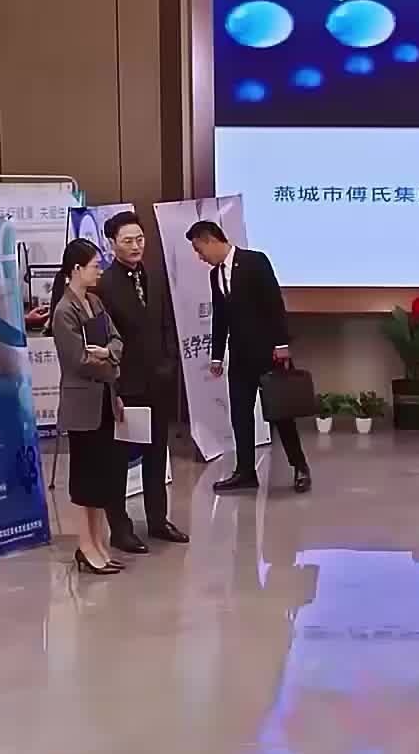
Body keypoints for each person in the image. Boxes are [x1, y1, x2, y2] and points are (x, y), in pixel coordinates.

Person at [185, 219, 311, 496]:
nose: (200, 257)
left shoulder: (255, 261)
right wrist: (216, 356)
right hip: (239, 356)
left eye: (199, 249)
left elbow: (274, 302)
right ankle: (245, 472)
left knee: (281, 414)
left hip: (268, 353)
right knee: (240, 415)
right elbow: (220, 317)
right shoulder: (215, 275)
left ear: (210, 240)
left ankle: (300, 466)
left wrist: (281, 343)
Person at [97, 210, 188, 552]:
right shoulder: (105, 285)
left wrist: (170, 361)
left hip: (159, 381)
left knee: (156, 454)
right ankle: (120, 528)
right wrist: (114, 386)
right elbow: (105, 339)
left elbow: (167, 323)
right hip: (126, 385)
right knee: (118, 460)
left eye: (140, 239)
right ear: (112, 243)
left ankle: (158, 520)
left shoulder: (154, 276)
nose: (136, 246)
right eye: (127, 241)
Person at [50, 239, 124, 576]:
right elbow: (78, 360)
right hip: (82, 405)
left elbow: (116, 340)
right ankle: (85, 545)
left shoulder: (95, 302)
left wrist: (107, 354)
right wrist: (107, 364)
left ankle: (98, 542)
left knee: (101, 477)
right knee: (84, 479)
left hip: (104, 400)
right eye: (95, 265)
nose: (100, 270)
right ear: (77, 269)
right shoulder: (64, 311)